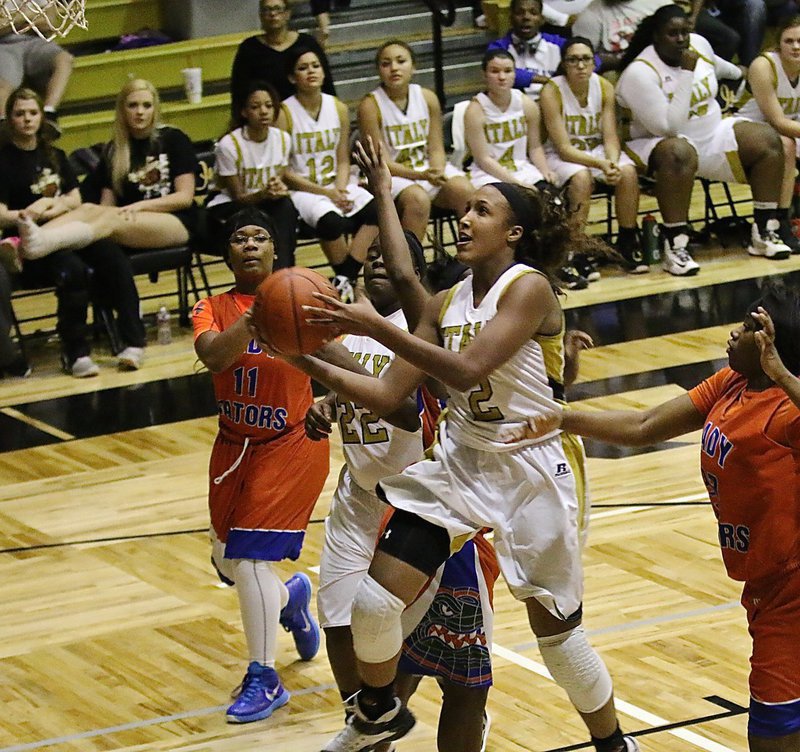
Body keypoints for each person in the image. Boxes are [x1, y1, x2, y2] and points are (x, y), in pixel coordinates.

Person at [268, 167, 638, 751]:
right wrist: (303, 359)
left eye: (481, 211)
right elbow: (390, 393)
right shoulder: (446, 302)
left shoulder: (529, 289)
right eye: (465, 209)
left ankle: (614, 742)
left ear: (514, 233)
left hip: (531, 467)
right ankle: (377, 711)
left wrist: (374, 327)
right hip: (462, 461)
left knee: (558, 638)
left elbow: (465, 371)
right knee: (373, 602)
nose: (464, 219)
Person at [504, 283, 800, 752]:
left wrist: (780, 373)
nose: (733, 333)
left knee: (771, 733)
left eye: (747, 327)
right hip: (764, 580)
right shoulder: (733, 383)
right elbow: (645, 425)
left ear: (773, 344)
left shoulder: (787, 410)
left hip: (792, 589)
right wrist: (563, 418)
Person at [308, 144, 499, 751]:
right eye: (368, 261)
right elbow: (356, 394)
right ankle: (368, 726)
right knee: (347, 628)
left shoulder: (426, 331)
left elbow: (396, 403)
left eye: (386, 261)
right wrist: (326, 401)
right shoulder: (354, 325)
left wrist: (384, 191)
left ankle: (374, 727)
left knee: (455, 675)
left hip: (432, 508)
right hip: (363, 497)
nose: (377, 268)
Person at [191, 207, 329, 724]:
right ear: (227, 254)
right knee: (228, 563)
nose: (250, 244)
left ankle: (264, 677)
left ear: (276, 250)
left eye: (260, 237)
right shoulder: (210, 307)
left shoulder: (303, 301)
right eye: (239, 238)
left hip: (291, 442)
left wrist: (334, 400)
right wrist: (256, 317)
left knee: (248, 560)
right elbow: (215, 357)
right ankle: (290, 598)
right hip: (234, 446)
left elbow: (345, 361)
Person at [616, 4, 791, 276]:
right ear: (657, 36)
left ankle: (764, 231)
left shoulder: (698, 44)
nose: (681, 39)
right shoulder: (639, 73)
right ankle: (675, 245)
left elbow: (729, 71)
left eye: (684, 32)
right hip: (655, 145)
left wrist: (735, 86)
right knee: (679, 151)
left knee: (767, 139)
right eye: (672, 33)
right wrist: (687, 73)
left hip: (710, 136)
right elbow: (669, 127)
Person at [0, 87, 146, 376]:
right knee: (73, 270)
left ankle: (133, 341)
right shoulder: (2, 160)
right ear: (9, 119)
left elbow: (75, 198)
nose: (27, 119)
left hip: (67, 230)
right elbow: (1, 214)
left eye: (33, 113)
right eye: (20, 114)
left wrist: (51, 206)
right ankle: (75, 351)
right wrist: (29, 214)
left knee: (113, 257)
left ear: (42, 117)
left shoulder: (55, 155)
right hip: (28, 243)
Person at [14, 78, 199, 265]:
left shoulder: (174, 138)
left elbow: (184, 198)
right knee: (88, 209)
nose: (140, 112)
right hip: (130, 222)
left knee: (110, 221)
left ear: (155, 109)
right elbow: (106, 207)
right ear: (122, 110)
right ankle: (25, 243)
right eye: (133, 105)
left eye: (147, 105)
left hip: (177, 221)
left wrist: (141, 206)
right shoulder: (115, 150)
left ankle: (42, 245)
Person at [277, 47, 378, 302]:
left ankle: (344, 278)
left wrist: (340, 189)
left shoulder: (339, 107)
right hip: (303, 189)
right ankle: (349, 282)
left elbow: (343, 157)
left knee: (378, 210)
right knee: (331, 223)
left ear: (323, 72)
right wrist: (327, 193)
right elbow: (283, 171)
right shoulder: (284, 113)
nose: (310, 71)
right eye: (303, 68)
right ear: (292, 77)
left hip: (337, 182)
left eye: (315, 66)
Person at [540, 37, 645, 274]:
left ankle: (627, 241)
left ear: (594, 62)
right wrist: (601, 164)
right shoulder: (552, 91)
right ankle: (575, 248)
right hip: (560, 156)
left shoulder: (604, 86)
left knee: (627, 172)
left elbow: (610, 137)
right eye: (573, 60)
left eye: (586, 59)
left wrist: (612, 163)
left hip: (595, 151)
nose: (580, 65)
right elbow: (563, 148)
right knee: (582, 177)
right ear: (564, 64)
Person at [357, 40, 475, 241]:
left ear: (413, 66)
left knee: (465, 191)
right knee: (418, 199)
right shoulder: (370, 105)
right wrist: (421, 176)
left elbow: (436, 147)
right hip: (392, 176)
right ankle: (411, 259)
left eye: (401, 61)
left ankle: (473, 254)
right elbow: (381, 163)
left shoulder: (427, 97)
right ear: (379, 70)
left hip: (425, 171)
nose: (394, 68)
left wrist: (437, 170)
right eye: (386, 63)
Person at [207, 80, 297, 269]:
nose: (264, 111)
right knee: (257, 217)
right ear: (244, 112)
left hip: (265, 202)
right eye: (255, 107)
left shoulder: (283, 139)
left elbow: (279, 177)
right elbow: (238, 196)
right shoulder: (229, 145)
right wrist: (263, 194)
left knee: (285, 205)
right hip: (229, 206)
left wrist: (277, 189)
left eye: (269, 106)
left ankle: (284, 271)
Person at [736, 15, 800, 254]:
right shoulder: (764, 66)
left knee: (787, 142)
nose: (795, 47)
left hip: (785, 132)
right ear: (778, 44)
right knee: (786, 144)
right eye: (789, 41)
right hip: (742, 132)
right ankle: (780, 222)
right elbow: (778, 122)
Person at [230, 0, 335, 116]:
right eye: (267, 10)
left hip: (305, 115)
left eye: (277, 9)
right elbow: (239, 92)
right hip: (265, 118)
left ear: (287, 13)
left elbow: (327, 84)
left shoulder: (307, 43)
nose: (273, 14)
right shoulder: (249, 48)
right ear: (260, 16)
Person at [0, 29, 72, 138]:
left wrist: (10, 22)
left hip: (35, 40)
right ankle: (3, 124)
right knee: (3, 83)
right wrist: (26, 19)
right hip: (3, 45)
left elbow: (47, 25)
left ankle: (48, 113)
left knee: (64, 59)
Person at [571, 0, 672, 72]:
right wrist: (626, 60)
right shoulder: (589, 16)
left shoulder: (661, 3)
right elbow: (579, 62)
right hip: (621, 75)